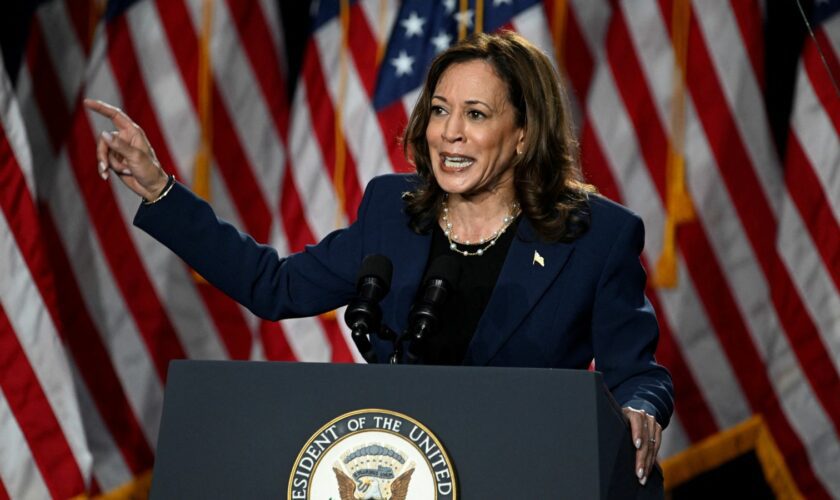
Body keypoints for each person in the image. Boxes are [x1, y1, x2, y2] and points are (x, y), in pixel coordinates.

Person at [85, 31, 673, 487]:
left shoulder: (593, 236)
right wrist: (161, 189)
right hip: (405, 473)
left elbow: (637, 374)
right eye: (440, 111)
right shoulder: (394, 212)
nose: (450, 134)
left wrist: (641, 408)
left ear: (523, 134)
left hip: (525, 475)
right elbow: (275, 287)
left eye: (476, 114)